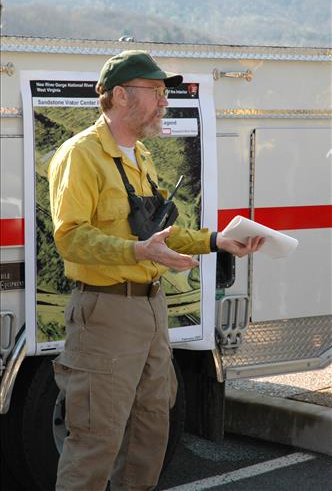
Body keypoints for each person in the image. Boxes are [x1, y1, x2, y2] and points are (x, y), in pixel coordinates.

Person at [48, 50, 264, 491]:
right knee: (95, 441)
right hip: (105, 313)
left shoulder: (140, 155)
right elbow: (69, 237)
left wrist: (216, 241)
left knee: (150, 433)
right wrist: (137, 250)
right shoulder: (81, 155)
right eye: (157, 92)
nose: (166, 101)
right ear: (121, 96)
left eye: (166, 93)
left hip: (150, 310)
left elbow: (160, 232)